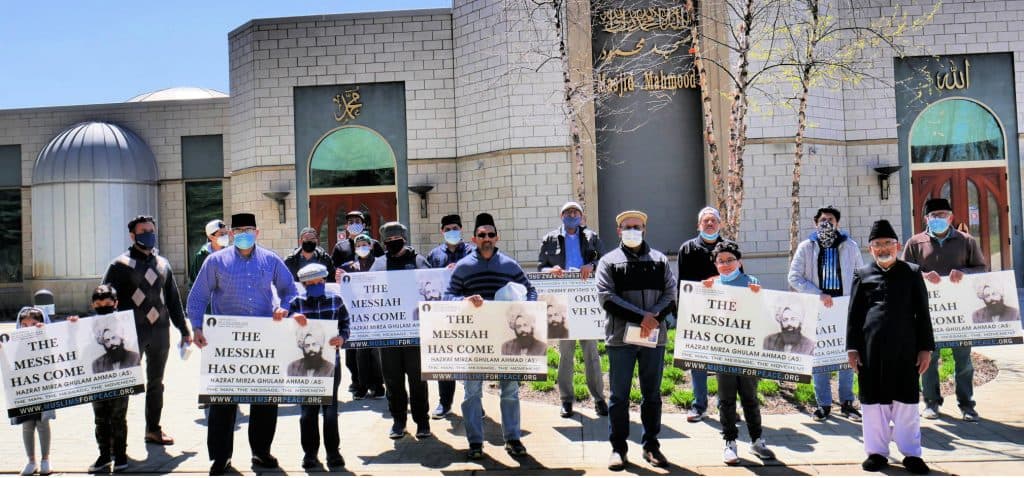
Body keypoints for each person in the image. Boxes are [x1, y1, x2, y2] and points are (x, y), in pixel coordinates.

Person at [187, 212, 298, 475]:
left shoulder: (270, 260)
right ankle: (220, 457)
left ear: (257, 233)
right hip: (226, 340)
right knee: (222, 401)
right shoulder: (215, 261)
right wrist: (197, 327)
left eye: (248, 230)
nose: (243, 235)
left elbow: (289, 290)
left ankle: (261, 452)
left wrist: (284, 308)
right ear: (231, 234)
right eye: (238, 231)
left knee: (265, 401)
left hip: (264, 338)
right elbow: (198, 296)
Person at [445, 212, 537, 460]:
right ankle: (475, 441)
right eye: (482, 235)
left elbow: (530, 291)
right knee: (472, 391)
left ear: (498, 237)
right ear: (474, 239)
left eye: (491, 234)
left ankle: (513, 438)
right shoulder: (464, 267)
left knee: (510, 390)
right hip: (474, 340)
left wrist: (526, 310)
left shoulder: (509, 265)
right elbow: (447, 297)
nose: (487, 238)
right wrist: (464, 300)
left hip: (505, 338)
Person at [847, 219, 933, 475]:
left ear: (897, 245)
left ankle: (911, 454)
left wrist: (925, 348)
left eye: (887, 243)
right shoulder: (862, 275)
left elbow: (923, 313)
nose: (883, 249)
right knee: (873, 403)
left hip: (906, 349)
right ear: (870, 248)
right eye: (877, 245)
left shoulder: (912, 272)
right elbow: (853, 315)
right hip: (870, 351)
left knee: (906, 402)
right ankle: (876, 452)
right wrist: (852, 348)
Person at [596, 210, 676, 470]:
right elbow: (607, 297)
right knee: (619, 396)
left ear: (644, 229)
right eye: (627, 226)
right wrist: (643, 317)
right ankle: (618, 449)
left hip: (654, 338)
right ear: (618, 231)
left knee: (651, 395)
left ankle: (651, 446)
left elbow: (670, 294)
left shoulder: (660, 260)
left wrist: (653, 317)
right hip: (621, 339)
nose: (633, 230)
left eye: (637, 226)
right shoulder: (608, 261)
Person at [101, 215, 190, 446]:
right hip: (130, 334)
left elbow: (173, 300)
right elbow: (103, 299)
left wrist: (184, 329)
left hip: (160, 332)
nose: (148, 234)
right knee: (123, 384)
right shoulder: (119, 265)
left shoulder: (163, 264)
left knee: (156, 383)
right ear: (132, 235)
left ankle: (153, 429)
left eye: (151, 230)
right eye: (143, 231)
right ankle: (115, 439)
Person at [901, 198, 987, 422]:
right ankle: (931, 403)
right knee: (928, 359)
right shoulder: (915, 243)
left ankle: (967, 405)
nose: (938, 219)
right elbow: (903, 274)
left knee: (964, 362)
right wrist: (922, 275)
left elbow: (981, 268)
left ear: (951, 217)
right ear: (926, 218)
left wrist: (963, 272)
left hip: (960, 315)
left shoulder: (966, 241)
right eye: (933, 215)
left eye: (943, 215)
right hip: (929, 314)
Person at [701, 240, 775, 466]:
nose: (725, 264)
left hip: (748, 351)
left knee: (750, 397)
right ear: (715, 264)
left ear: (739, 262)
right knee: (726, 399)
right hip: (723, 351)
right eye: (720, 261)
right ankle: (730, 443)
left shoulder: (751, 283)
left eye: (730, 260)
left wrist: (758, 295)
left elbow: (763, 312)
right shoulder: (709, 285)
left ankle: (757, 440)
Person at [787, 206, 864, 422]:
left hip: (844, 307)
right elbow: (794, 277)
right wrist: (817, 293)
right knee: (820, 356)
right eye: (822, 220)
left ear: (838, 223)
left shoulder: (850, 246)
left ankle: (847, 402)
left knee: (846, 354)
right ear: (815, 223)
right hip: (817, 307)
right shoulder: (806, 247)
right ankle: (823, 405)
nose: (826, 223)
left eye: (830, 219)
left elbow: (860, 274)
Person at [537, 201, 607, 418]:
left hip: (586, 300)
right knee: (566, 354)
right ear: (561, 216)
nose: (572, 215)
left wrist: (592, 266)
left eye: (576, 212)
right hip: (561, 300)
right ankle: (566, 400)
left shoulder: (591, 237)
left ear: (581, 217)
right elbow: (541, 267)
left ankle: (599, 398)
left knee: (591, 353)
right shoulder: (549, 239)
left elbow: (604, 262)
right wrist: (551, 270)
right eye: (568, 212)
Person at [370, 221, 433, 440]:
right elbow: (365, 294)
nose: (392, 244)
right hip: (388, 336)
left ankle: (422, 422)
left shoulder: (418, 262)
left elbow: (432, 290)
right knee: (393, 381)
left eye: (396, 240)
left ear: (404, 239)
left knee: (418, 380)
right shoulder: (377, 265)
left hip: (415, 334)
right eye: (387, 241)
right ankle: (398, 421)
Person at [288, 263, 349, 470]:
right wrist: (290, 319)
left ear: (324, 280)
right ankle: (310, 455)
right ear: (304, 284)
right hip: (305, 369)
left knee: (331, 411)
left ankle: (333, 453)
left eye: (319, 281)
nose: (315, 285)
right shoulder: (296, 303)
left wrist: (342, 337)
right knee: (307, 413)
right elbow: (284, 329)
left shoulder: (336, 300)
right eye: (310, 283)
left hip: (331, 364)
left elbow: (346, 323)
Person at [676, 206, 726, 423]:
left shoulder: (729, 248)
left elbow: (739, 279)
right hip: (697, 313)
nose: (709, 224)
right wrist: (682, 314)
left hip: (725, 314)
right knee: (698, 362)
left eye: (713, 220)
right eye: (705, 221)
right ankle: (699, 406)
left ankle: (728, 407)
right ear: (699, 225)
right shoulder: (686, 249)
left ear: (720, 224)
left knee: (726, 362)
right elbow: (682, 284)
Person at [79, 285, 133, 473]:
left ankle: (120, 456)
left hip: (120, 379)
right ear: (93, 304)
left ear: (115, 303)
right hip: (97, 379)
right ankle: (104, 455)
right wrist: (71, 326)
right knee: (100, 419)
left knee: (118, 418)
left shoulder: (124, 322)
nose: (103, 306)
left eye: (108, 303)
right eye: (99, 303)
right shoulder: (87, 325)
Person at [426, 214, 474, 419]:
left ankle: (474, 403)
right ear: (442, 231)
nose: (451, 232)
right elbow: (426, 280)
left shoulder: (472, 252)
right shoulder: (434, 255)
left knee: (471, 359)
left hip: (469, 311)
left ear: (461, 229)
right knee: (445, 359)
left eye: (455, 228)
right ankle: (445, 403)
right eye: (447, 229)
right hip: (443, 314)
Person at [339, 233, 387, 401]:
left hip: (378, 314)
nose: (362, 247)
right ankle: (361, 386)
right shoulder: (348, 266)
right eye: (358, 245)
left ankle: (378, 386)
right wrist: (338, 278)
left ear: (371, 245)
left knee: (376, 352)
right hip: (356, 316)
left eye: (365, 244)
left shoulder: (381, 264)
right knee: (360, 353)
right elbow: (338, 286)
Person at [10, 307, 56, 476]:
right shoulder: (13, 344)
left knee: (42, 423)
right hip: (23, 390)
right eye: (24, 324)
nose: (28, 327)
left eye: (34, 324)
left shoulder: (47, 342)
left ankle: (45, 459)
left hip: (43, 389)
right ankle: (31, 460)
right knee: (27, 425)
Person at [189, 219, 229, 284]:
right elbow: (194, 282)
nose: (225, 236)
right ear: (211, 237)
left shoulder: (232, 253)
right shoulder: (201, 256)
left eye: (226, 233)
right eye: (221, 234)